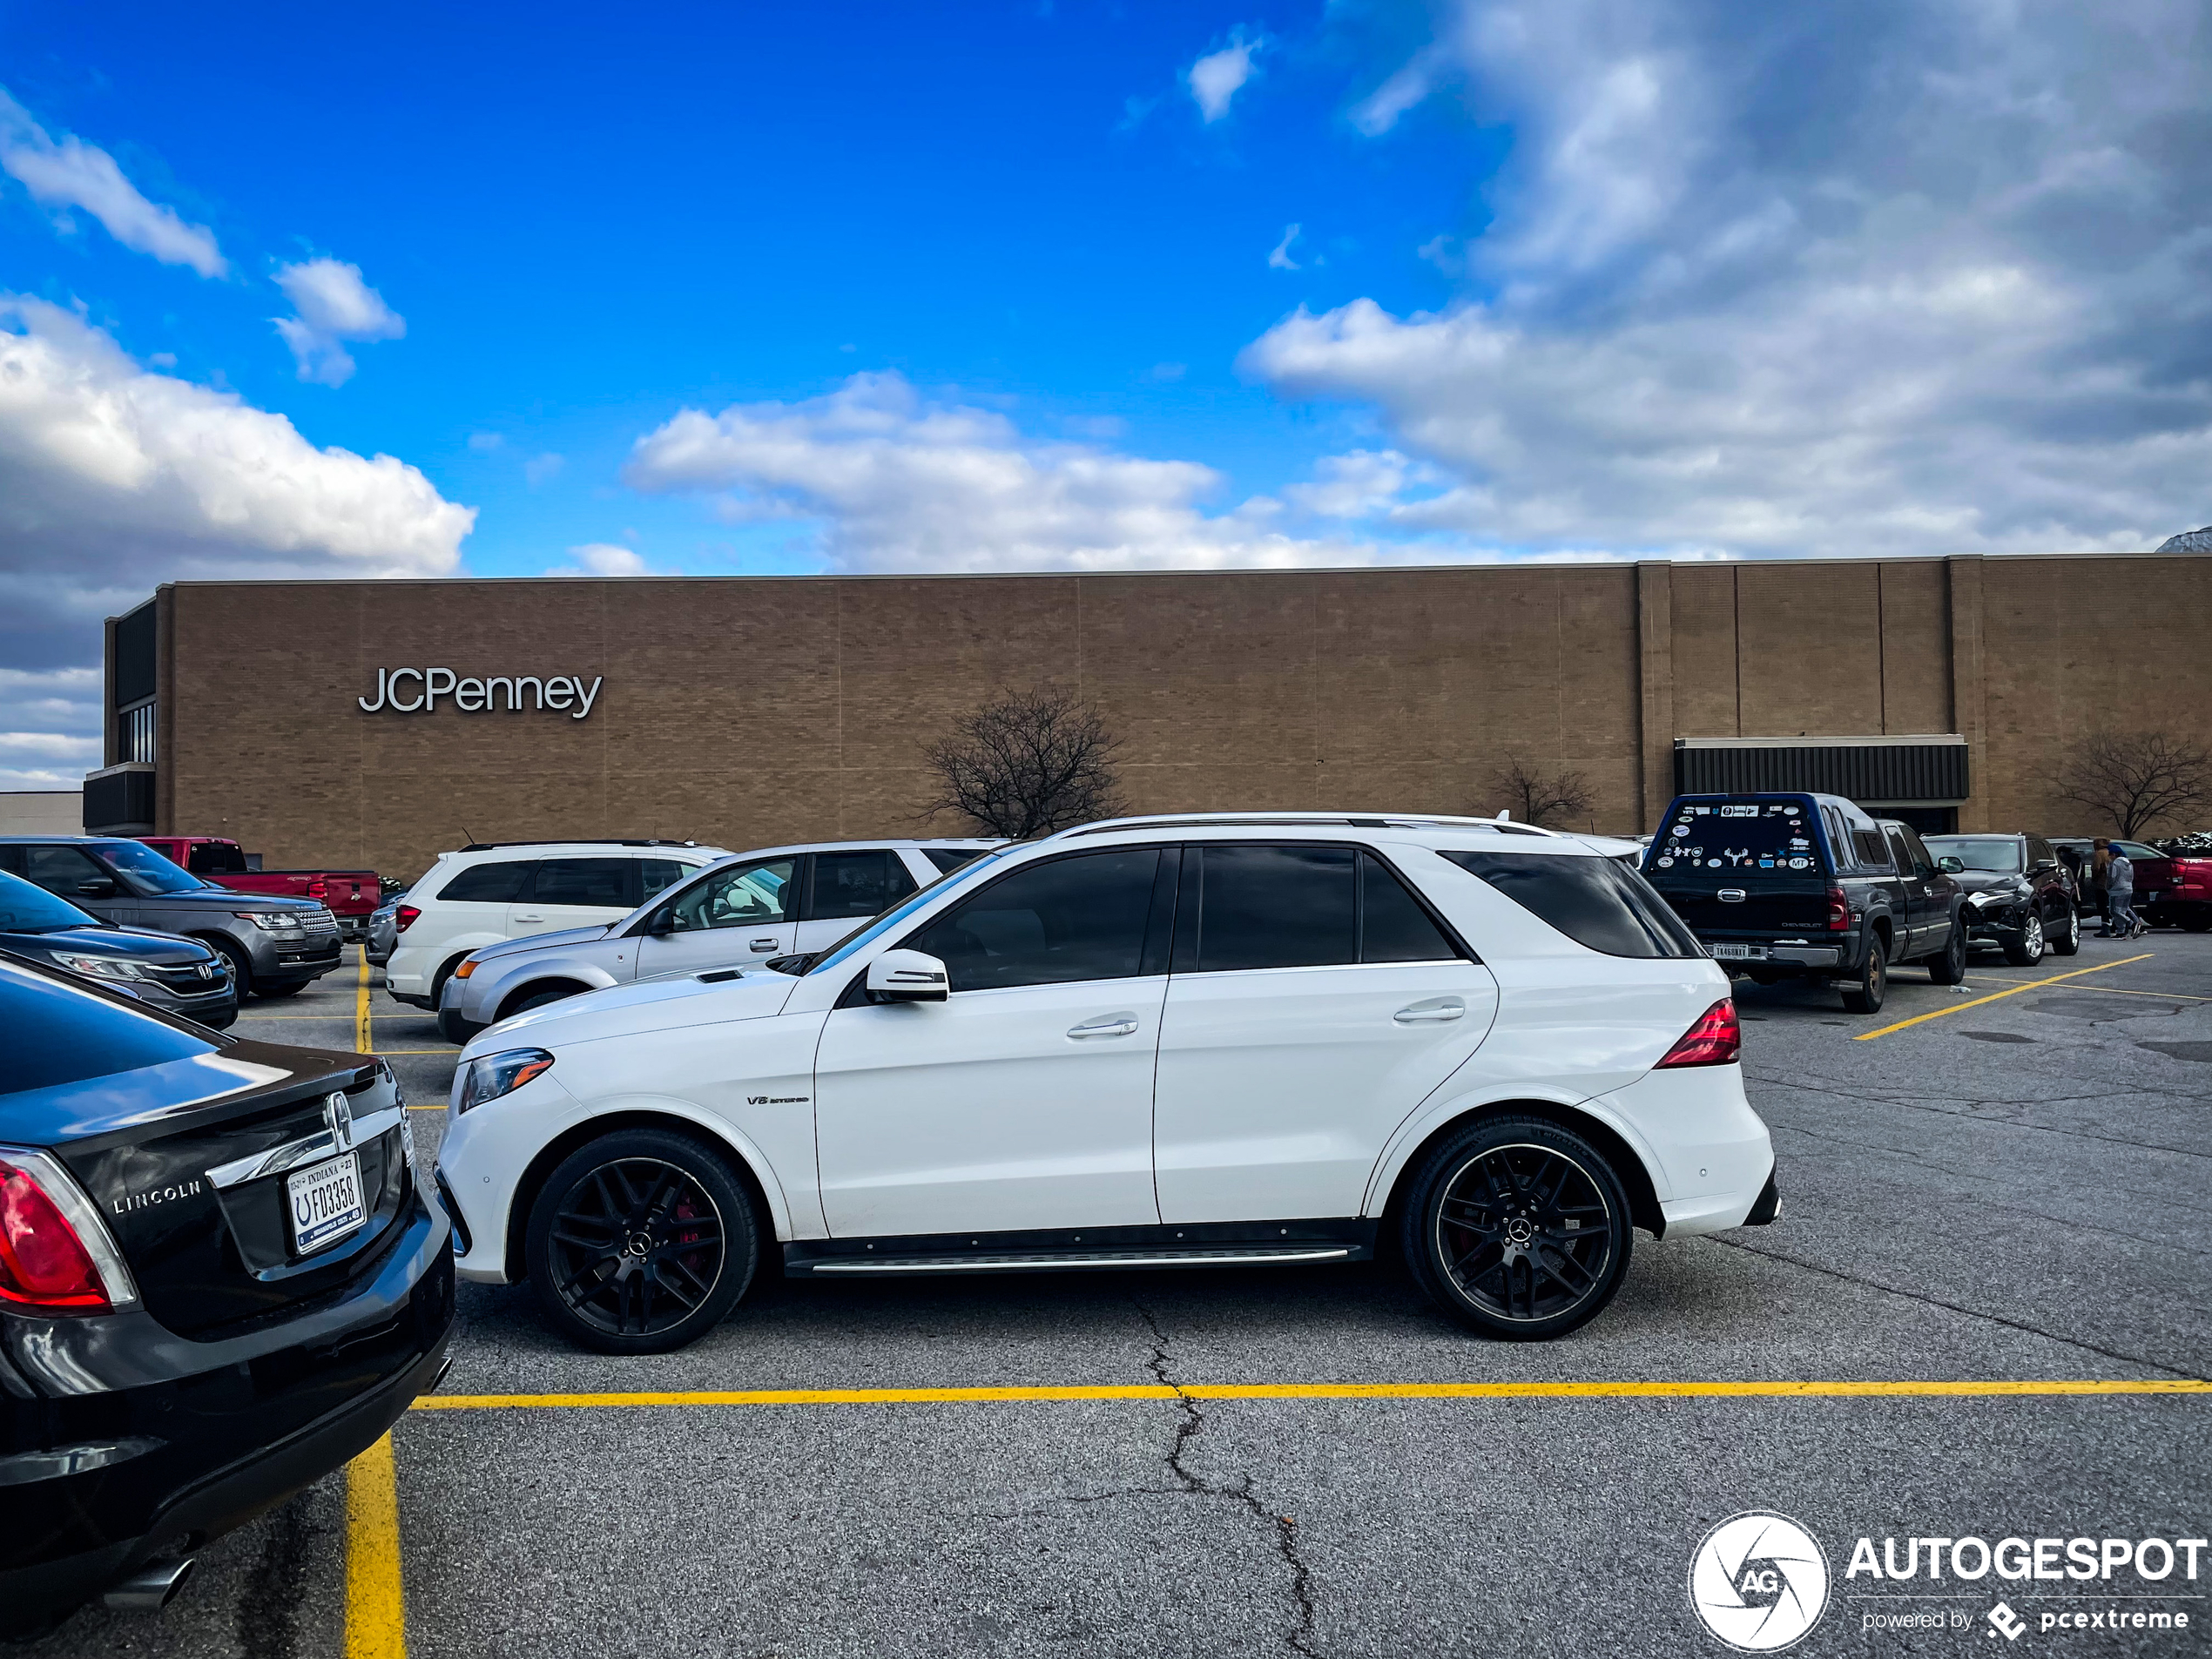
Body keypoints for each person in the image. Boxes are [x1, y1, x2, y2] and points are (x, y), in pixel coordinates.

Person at [2106, 843, 2143, 939]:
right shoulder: (2128, 863)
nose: (2109, 856)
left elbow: (2112, 876)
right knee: (2125, 908)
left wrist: (2109, 886)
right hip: (2128, 888)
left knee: (2114, 911)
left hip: (2117, 890)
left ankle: (2130, 923)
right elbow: (2132, 876)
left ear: (2114, 854)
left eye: (2110, 854)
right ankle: (2121, 931)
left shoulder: (2115, 863)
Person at [2089, 838, 2113, 934]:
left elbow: (2096, 868)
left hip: (2101, 883)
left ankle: (2105, 927)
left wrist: (2093, 878)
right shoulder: (2111, 853)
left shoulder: (2099, 854)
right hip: (2112, 883)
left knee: (2102, 906)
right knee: (2113, 905)